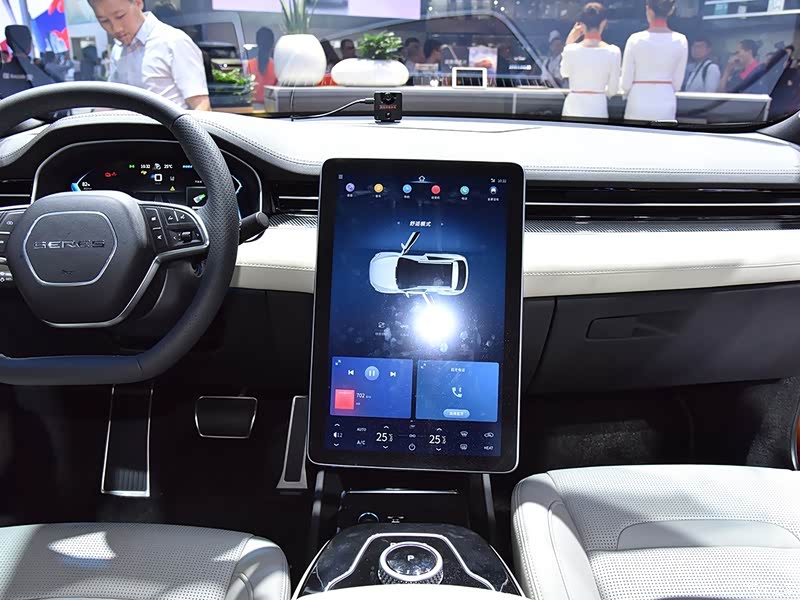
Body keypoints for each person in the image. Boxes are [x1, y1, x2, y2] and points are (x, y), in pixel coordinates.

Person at [88, 0, 210, 110]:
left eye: (120, 16)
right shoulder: (118, 50)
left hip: (167, 128)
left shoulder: (173, 41)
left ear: (138, 2)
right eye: (104, 21)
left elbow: (201, 106)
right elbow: (111, 101)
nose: (116, 28)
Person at [620, 0, 688, 122]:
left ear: (649, 10)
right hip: (665, 100)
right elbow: (677, 84)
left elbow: (626, 83)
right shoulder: (681, 40)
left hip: (638, 100)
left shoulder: (635, 39)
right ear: (671, 10)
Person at [560, 2, 621, 119]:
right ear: (603, 23)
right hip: (598, 107)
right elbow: (613, 90)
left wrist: (569, 41)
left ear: (581, 25)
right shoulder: (613, 52)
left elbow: (564, 73)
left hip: (573, 107)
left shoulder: (570, 49)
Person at [246, 27, 276, 104]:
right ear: (272, 44)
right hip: (272, 108)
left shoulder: (248, 65)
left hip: (251, 108)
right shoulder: (277, 67)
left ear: (257, 43)